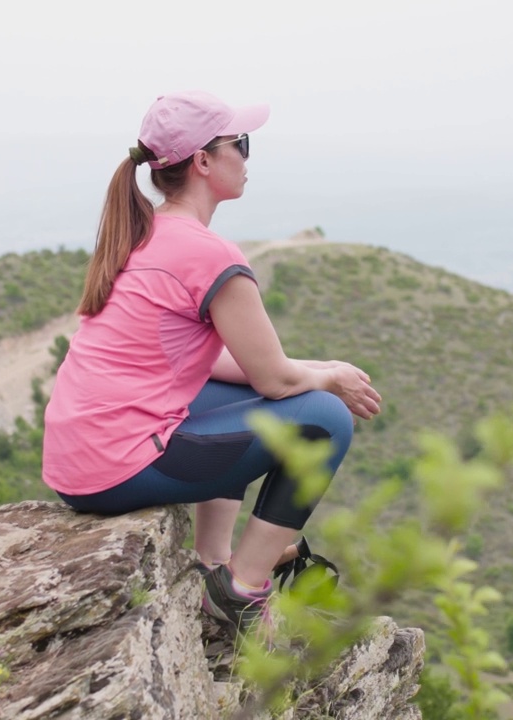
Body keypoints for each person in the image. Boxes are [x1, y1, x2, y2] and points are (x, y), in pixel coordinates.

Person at [42, 91, 381, 634]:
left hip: (77, 462)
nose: (247, 158)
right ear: (203, 161)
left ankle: (212, 560)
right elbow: (273, 377)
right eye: (239, 145)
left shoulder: (142, 233)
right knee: (324, 418)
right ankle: (241, 592)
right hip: (116, 468)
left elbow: (222, 364)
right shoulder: (211, 254)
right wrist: (330, 378)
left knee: (254, 400)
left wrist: (320, 366)